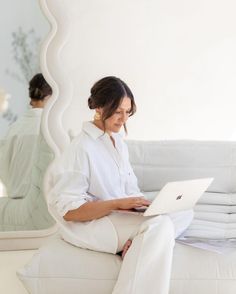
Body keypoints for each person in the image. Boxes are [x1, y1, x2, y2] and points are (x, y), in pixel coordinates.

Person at [48, 76, 193, 294]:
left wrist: (145, 205)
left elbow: (130, 189)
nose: (123, 119)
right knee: (161, 226)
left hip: (121, 217)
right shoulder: (81, 148)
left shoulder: (118, 143)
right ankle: (140, 242)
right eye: (117, 112)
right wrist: (117, 204)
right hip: (95, 224)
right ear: (99, 107)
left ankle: (137, 243)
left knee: (184, 211)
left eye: (128, 112)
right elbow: (69, 211)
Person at [0, 73, 55, 230]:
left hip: (14, 200)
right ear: (50, 96)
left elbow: (3, 169)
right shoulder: (50, 131)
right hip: (37, 206)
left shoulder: (14, 128)